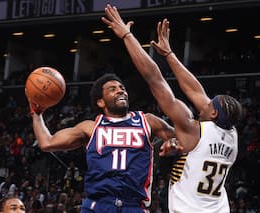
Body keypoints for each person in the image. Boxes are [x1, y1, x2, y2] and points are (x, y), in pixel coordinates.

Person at [101, 5, 243, 213]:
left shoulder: (194, 130)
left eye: (210, 102)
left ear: (212, 113)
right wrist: (169, 54)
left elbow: (155, 79)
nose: (205, 99)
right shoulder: (232, 134)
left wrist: (127, 36)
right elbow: (196, 91)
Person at [26, 73, 175, 213]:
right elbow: (47, 142)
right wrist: (36, 114)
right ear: (100, 102)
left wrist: (174, 141)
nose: (120, 91)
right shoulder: (90, 127)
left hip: (134, 205)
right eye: (113, 89)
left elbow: (185, 139)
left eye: (122, 88)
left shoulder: (147, 121)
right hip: (98, 205)